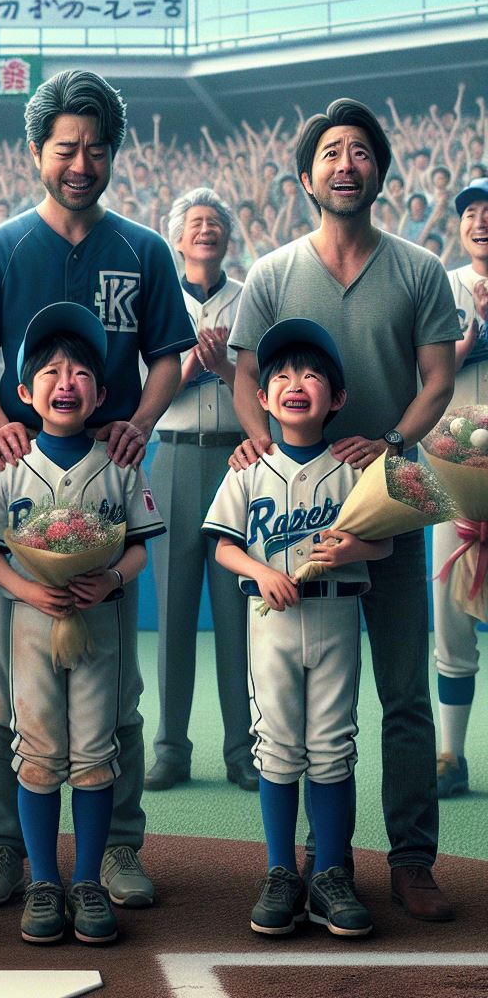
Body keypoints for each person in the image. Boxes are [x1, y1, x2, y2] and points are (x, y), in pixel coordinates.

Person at [0, 69, 194, 908]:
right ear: (37, 152)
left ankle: (117, 845)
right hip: (27, 478)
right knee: (4, 689)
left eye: (95, 147)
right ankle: (2, 844)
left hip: (107, 479)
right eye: (65, 147)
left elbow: (167, 355)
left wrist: (143, 420)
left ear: (112, 151)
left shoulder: (144, 250)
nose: (81, 162)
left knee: (115, 685)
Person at [228, 98, 460, 922]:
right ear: (305, 176)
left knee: (402, 689)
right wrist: (257, 443)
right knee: (290, 700)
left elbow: (437, 377)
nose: (346, 163)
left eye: (361, 151)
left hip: (390, 505)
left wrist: (394, 442)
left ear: (379, 173)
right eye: (331, 151)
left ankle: (411, 859)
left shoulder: (419, 269)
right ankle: (302, 865)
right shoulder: (272, 272)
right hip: (293, 511)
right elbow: (243, 373)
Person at [0, 303, 162, 944]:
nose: (66, 381)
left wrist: (109, 578)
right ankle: (45, 880)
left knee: (96, 752)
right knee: (41, 752)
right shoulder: (9, 466)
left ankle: (86, 879)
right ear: (24, 392)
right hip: (32, 622)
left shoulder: (121, 464)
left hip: (99, 618)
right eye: (49, 371)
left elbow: (138, 546)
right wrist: (29, 587)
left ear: (102, 394)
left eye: (81, 372)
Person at [207, 319, 392, 938]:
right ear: (261, 397)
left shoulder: (352, 465)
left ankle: (332, 872)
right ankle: (283, 871)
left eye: (312, 374)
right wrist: (261, 572)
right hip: (276, 622)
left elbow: (385, 544)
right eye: (280, 375)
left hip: (337, 611)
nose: (294, 383)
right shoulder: (250, 466)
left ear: (336, 398)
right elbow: (224, 548)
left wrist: (353, 549)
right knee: (279, 746)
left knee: (334, 745)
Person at [146, 188, 254, 793]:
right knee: (175, 612)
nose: (206, 230)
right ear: (178, 239)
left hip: (239, 459)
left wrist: (225, 369)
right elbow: (144, 389)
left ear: (226, 238)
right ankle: (171, 749)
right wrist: (191, 368)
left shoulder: (249, 299)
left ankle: (242, 748)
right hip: (177, 457)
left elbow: (261, 383)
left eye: (216, 221)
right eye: (196, 223)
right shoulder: (160, 301)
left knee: (236, 610)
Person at [434, 176, 488, 798]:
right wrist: (473, 333)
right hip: (452, 471)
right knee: (451, 620)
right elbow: (432, 369)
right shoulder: (445, 284)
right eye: (470, 212)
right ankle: (453, 751)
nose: (479, 221)